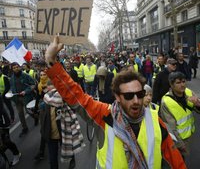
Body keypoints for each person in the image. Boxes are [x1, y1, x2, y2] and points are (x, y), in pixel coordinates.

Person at [44, 36, 186, 169]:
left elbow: (176, 162)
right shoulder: (105, 116)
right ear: (117, 97)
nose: (136, 101)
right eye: (129, 96)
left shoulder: (156, 121)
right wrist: (52, 62)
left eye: (140, 94)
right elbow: (77, 97)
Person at [160, 72, 200, 159]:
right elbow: (170, 127)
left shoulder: (188, 92)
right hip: (178, 141)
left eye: (183, 81)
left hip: (189, 135)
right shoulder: (166, 101)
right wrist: (180, 144)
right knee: (179, 161)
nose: (182, 85)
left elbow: (198, 110)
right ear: (171, 84)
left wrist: (198, 104)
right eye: (178, 83)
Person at [9, 62, 36, 137]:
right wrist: (10, 92)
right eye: (14, 68)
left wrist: (25, 91)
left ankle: (36, 117)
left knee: (29, 112)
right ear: (12, 69)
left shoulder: (25, 75)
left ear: (19, 67)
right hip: (17, 99)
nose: (16, 69)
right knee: (20, 114)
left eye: (17, 67)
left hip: (26, 98)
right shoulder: (11, 78)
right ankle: (25, 128)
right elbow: (11, 87)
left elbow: (33, 84)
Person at [0, 95, 21, 166]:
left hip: (3, 122)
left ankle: (16, 154)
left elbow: (0, 109)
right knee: (3, 143)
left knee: (6, 141)